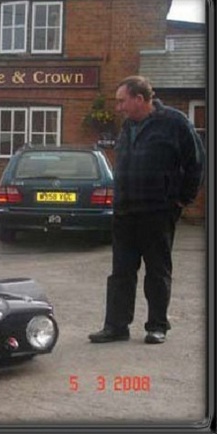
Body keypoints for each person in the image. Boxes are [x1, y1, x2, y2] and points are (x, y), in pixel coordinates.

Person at [89, 75, 205, 345]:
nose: (118, 108)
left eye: (122, 101)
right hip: (125, 212)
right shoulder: (129, 125)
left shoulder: (175, 123)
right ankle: (116, 326)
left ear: (139, 99)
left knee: (157, 271)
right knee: (121, 272)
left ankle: (157, 326)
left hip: (157, 212)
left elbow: (196, 163)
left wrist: (180, 201)